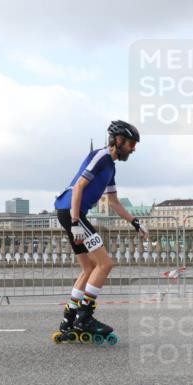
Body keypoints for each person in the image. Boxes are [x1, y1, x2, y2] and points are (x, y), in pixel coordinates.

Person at [53, 120, 148, 340]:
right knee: (105, 264)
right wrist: (76, 221)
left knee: (88, 268)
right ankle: (84, 317)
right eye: (131, 144)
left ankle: (69, 318)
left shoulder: (110, 167)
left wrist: (134, 221)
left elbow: (113, 202)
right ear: (118, 141)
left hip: (68, 211)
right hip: (72, 211)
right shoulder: (101, 157)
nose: (133, 149)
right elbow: (78, 187)